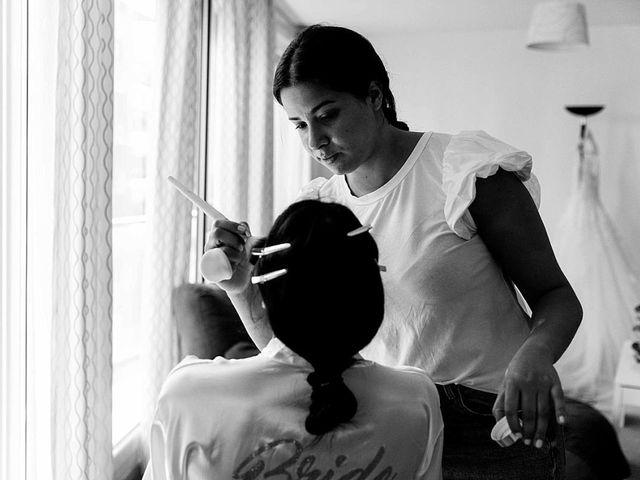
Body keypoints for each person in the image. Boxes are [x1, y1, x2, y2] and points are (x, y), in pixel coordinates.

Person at [208, 25, 584, 479]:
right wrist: (241, 288)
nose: (314, 141)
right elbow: (292, 353)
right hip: (384, 421)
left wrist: (534, 355)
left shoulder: (464, 173)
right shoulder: (321, 207)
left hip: (489, 421)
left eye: (327, 115)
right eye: (300, 125)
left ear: (374, 95)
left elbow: (556, 295)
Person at [143, 200, 444, 480]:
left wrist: (243, 291)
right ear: (371, 297)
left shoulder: (191, 396)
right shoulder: (416, 400)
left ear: (264, 293)